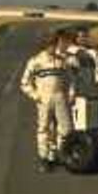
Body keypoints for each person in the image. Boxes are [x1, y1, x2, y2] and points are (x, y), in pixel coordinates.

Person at [20, 29, 79, 172]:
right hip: (43, 99)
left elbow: (70, 79)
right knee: (44, 129)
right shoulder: (35, 62)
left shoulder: (61, 61)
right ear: (44, 46)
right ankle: (45, 158)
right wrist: (36, 96)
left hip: (60, 97)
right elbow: (24, 83)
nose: (53, 47)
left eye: (54, 44)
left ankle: (64, 155)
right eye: (50, 44)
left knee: (66, 129)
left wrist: (71, 93)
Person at [70, 26, 98, 98]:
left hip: (92, 87)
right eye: (80, 37)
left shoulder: (93, 52)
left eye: (84, 36)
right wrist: (72, 90)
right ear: (75, 38)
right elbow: (70, 72)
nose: (82, 39)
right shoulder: (71, 51)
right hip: (77, 88)